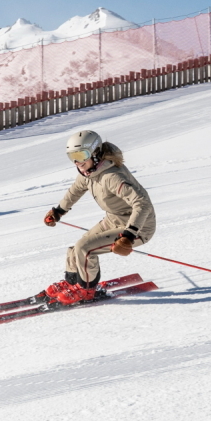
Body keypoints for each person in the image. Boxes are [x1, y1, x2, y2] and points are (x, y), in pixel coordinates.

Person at [43, 129, 156, 304]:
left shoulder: (111, 176)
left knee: (85, 248)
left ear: (95, 153)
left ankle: (86, 291)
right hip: (114, 219)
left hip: (139, 226)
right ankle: (72, 282)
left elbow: (142, 203)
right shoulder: (89, 172)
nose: (77, 162)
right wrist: (58, 211)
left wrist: (129, 235)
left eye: (81, 155)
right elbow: (75, 190)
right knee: (75, 249)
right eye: (72, 156)